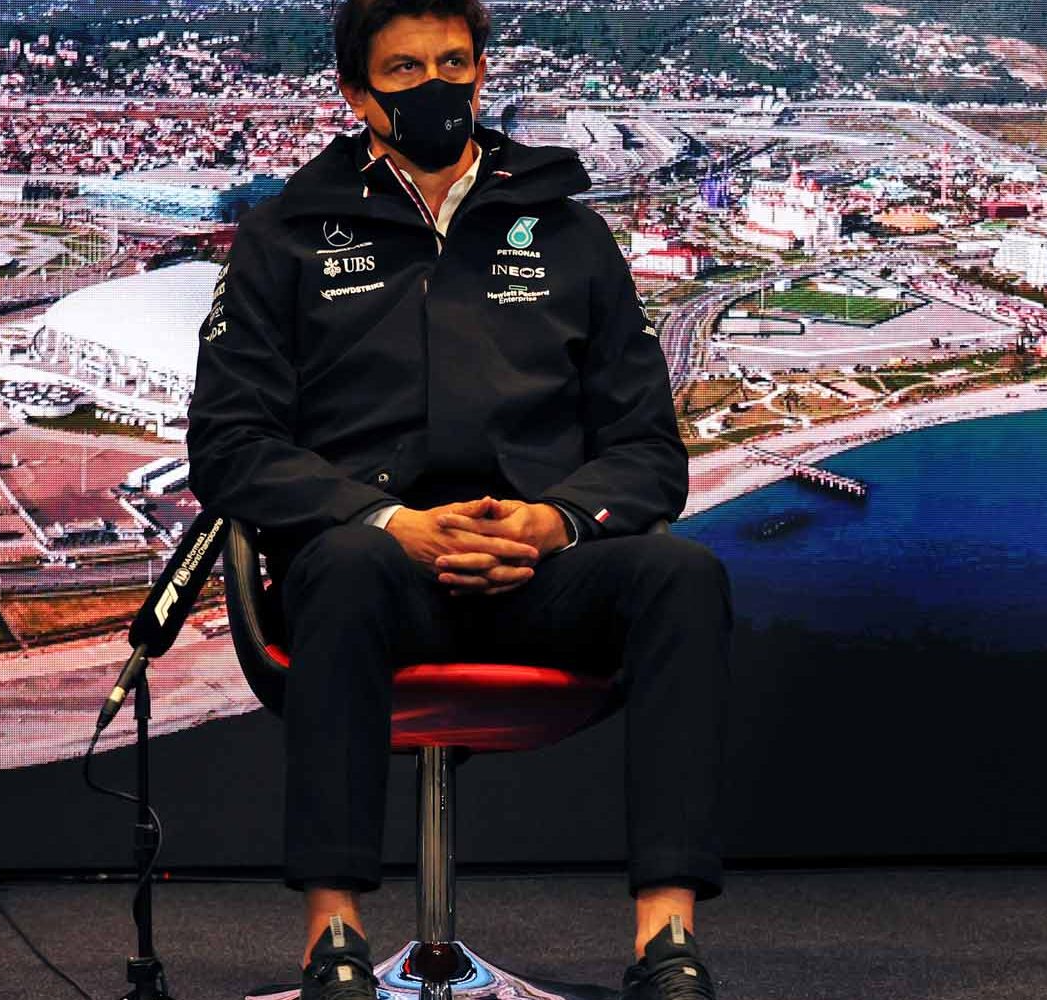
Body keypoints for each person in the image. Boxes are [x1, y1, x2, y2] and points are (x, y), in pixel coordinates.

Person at [185, 2, 730, 998]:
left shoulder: (569, 235)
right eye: (404, 68)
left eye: (453, 60)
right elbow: (229, 445)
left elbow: (650, 450)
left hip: (540, 569)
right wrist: (391, 521)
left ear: (483, 71)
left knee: (683, 577)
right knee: (345, 563)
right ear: (357, 94)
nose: (437, 84)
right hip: (373, 569)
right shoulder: (284, 237)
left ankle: (666, 943)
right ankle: (335, 942)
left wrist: (553, 520)